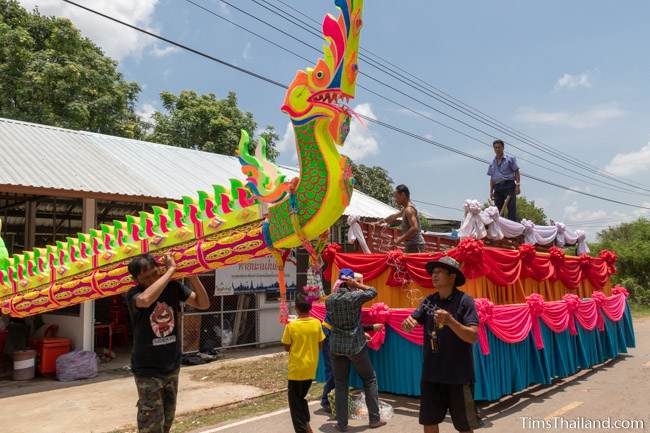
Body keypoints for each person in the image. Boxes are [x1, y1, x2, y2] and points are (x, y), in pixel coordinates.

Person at [126, 253, 210, 433]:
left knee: (167, 420)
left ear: (158, 269)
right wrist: (171, 270)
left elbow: (203, 304)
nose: (151, 280)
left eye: (153, 274)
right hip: (147, 369)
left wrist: (193, 276)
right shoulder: (135, 294)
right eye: (145, 278)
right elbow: (145, 300)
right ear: (136, 280)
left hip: (171, 365)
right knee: (151, 424)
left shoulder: (173, 287)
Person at [402, 256, 480, 433]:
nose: (434, 276)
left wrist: (451, 321)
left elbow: (473, 337)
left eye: (439, 272)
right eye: (433, 273)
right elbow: (413, 319)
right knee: (429, 422)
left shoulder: (465, 301)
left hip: (459, 377)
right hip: (431, 375)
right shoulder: (429, 301)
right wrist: (408, 323)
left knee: (465, 426)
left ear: (452, 277)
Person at [326, 268, 387, 432]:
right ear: (351, 281)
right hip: (355, 346)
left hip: (336, 346)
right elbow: (373, 291)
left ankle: (341, 424)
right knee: (369, 379)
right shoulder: (355, 296)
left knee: (340, 385)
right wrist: (358, 285)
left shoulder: (329, 300)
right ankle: (374, 419)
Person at [282, 293, 326, 433]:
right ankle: (306, 424)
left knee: (295, 402)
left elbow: (287, 346)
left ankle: (303, 429)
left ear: (296, 308)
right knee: (301, 397)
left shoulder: (291, 326)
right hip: (311, 367)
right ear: (310, 308)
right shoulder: (317, 323)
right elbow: (321, 344)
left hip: (296, 370)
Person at [380, 184, 426, 253]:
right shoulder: (405, 209)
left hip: (415, 245)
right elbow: (394, 216)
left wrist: (399, 239)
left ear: (403, 195)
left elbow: (414, 228)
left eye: (396, 197)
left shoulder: (409, 209)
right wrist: (380, 222)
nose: (395, 200)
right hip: (412, 245)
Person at [487, 139, 521, 221]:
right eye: (495, 148)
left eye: (499, 147)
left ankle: (512, 228)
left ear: (503, 148)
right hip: (497, 187)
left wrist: (518, 185)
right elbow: (492, 178)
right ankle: (500, 229)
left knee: (511, 207)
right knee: (497, 209)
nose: (497, 149)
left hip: (509, 185)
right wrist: (491, 191)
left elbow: (516, 172)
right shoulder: (492, 163)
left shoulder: (510, 159)